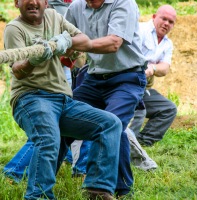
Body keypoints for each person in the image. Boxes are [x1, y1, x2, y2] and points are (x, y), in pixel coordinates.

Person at [4, 0, 123, 199]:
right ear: (16, 3)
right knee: (49, 138)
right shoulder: (14, 29)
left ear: (45, 2)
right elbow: (18, 71)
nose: (33, 2)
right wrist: (33, 60)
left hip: (63, 100)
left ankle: (98, 189)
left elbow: (84, 40)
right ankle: (38, 196)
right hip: (31, 98)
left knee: (110, 124)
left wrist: (66, 41)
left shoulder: (54, 17)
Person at [65, 0, 147, 198]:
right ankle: (37, 179)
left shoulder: (124, 3)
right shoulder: (75, 7)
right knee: (60, 117)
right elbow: (66, 44)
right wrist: (63, 52)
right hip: (93, 79)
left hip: (127, 78)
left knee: (112, 124)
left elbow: (114, 43)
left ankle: (98, 188)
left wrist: (79, 44)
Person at [128, 5, 177, 147]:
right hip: (127, 84)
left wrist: (152, 68)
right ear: (154, 17)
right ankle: (127, 145)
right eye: (164, 18)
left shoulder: (168, 44)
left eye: (171, 21)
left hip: (143, 88)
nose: (166, 23)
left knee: (168, 109)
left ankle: (142, 143)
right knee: (140, 112)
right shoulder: (140, 30)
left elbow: (165, 69)